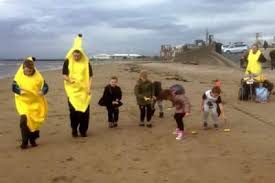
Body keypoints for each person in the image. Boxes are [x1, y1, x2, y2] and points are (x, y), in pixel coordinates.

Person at [12, 57, 48, 149]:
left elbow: (46, 87)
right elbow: (13, 87)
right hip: (23, 102)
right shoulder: (18, 76)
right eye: (26, 71)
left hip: (36, 102)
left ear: (33, 69)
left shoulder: (38, 77)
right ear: (23, 69)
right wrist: (19, 91)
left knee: (35, 122)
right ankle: (24, 141)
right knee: (24, 121)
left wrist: (42, 91)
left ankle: (33, 139)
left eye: (30, 71)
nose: (28, 73)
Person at [63, 34, 93, 137]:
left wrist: (89, 88)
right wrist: (69, 80)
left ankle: (83, 130)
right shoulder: (68, 61)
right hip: (72, 91)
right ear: (72, 54)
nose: (76, 57)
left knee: (85, 111)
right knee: (73, 112)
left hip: (84, 90)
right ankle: (74, 129)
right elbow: (64, 75)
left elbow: (90, 77)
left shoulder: (86, 62)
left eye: (78, 55)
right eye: (74, 55)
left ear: (81, 54)